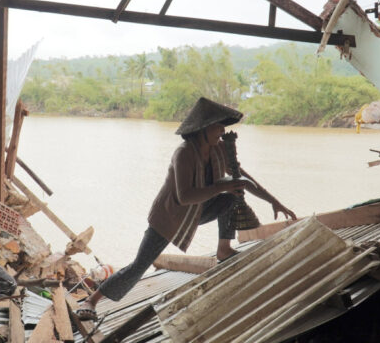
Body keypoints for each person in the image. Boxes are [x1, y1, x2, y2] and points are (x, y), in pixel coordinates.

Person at [76, 97, 297, 321]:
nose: (222, 130)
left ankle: (224, 248)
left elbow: (242, 178)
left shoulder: (218, 149)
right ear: (202, 129)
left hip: (199, 209)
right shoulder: (184, 154)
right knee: (138, 266)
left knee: (230, 197)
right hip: (170, 216)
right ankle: (91, 300)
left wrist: (273, 201)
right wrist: (224, 185)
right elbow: (185, 196)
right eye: (218, 125)